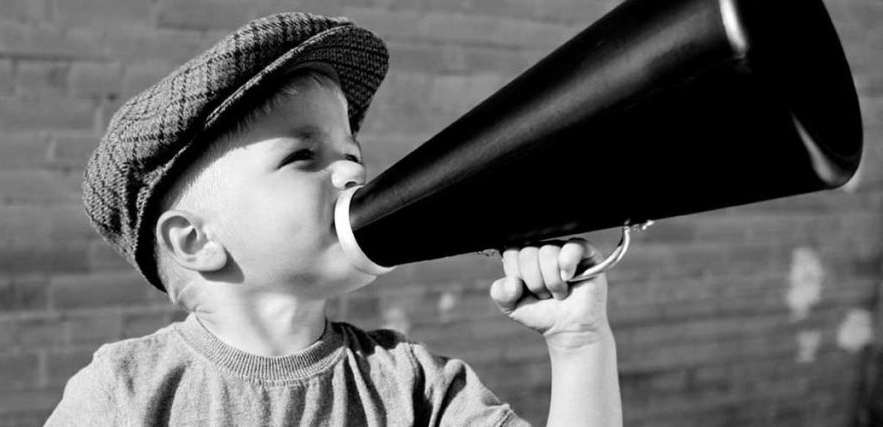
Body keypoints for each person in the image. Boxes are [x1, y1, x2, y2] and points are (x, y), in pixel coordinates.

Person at [47, 12, 621, 426]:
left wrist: (579, 342)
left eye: (352, 155)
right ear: (196, 241)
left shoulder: (412, 384)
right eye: (303, 157)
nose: (352, 175)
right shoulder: (125, 391)